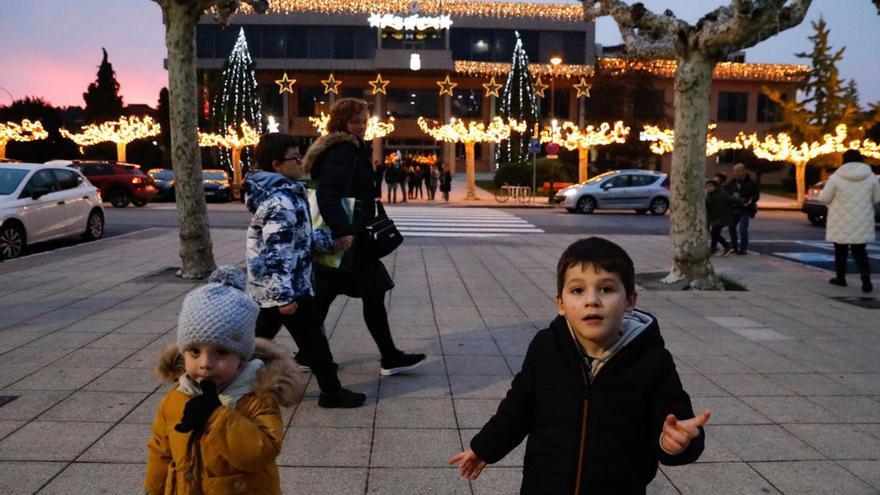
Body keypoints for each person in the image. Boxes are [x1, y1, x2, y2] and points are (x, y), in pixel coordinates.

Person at [449, 237, 709, 493]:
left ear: (630, 300)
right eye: (577, 290)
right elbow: (518, 409)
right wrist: (485, 448)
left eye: (606, 289)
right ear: (560, 304)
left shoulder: (652, 360)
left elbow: (676, 422)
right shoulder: (546, 348)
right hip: (544, 485)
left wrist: (675, 443)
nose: (592, 300)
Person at [145, 267, 300, 495]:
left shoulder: (256, 399)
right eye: (195, 352)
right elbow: (161, 450)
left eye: (221, 353)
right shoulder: (176, 399)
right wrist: (153, 488)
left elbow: (261, 453)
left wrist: (216, 416)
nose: (205, 363)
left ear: (241, 357)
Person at [303, 98, 426, 375]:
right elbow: (328, 194)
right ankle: (389, 357)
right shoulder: (342, 151)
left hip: (350, 237)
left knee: (327, 295)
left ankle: (307, 353)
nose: (362, 126)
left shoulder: (347, 148)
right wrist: (342, 231)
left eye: (364, 121)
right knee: (371, 292)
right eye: (356, 121)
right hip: (350, 239)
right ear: (341, 122)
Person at [245, 132, 366, 408]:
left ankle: (230, 380)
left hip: (274, 287)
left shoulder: (284, 194)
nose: (301, 161)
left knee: (258, 342)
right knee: (314, 340)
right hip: (288, 287)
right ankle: (331, 391)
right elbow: (278, 252)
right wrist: (285, 297)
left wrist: (331, 242)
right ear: (277, 165)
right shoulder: (281, 202)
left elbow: (299, 238)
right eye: (295, 157)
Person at [820, 149, 880, 293]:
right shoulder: (871, 177)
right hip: (862, 218)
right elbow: (877, 198)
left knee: (840, 250)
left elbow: (824, 198)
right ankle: (866, 280)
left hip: (840, 218)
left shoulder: (836, 177)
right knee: (860, 251)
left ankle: (840, 278)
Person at [725, 163, 759, 255]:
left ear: (743, 171)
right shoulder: (732, 182)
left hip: (745, 209)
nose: (735, 173)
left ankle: (743, 248)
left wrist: (749, 202)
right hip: (734, 208)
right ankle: (734, 246)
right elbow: (727, 192)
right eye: (734, 171)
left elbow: (756, 195)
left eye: (738, 171)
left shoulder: (751, 183)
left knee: (742, 228)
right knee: (731, 227)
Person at [705, 179, 736, 256]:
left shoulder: (721, 194)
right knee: (715, 233)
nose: (708, 188)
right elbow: (708, 211)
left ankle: (727, 246)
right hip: (716, 217)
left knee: (714, 232)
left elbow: (732, 199)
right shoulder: (709, 197)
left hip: (723, 217)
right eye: (707, 186)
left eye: (710, 186)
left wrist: (741, 199)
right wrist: (707, 224)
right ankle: (713, 249)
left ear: (715, 187)